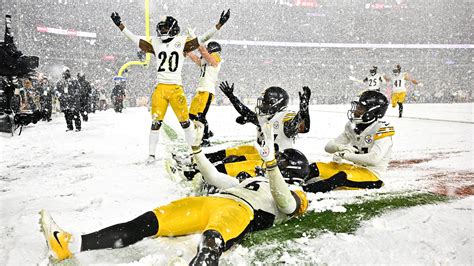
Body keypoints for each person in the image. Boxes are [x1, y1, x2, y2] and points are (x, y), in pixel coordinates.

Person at [39, 120, 308, 264]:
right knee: (146, 222)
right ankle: (70, 244)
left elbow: (285, 205)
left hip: (241, 212)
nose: (273, 162)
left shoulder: (295, 191)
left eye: (282, 162)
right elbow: (214, 176)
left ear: (293, 170)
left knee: (212, 242)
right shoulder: (255, 180)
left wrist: (272, 165)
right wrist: (196, 149)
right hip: (212, 201)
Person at [110, 10, 230, 161]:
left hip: (175, 88)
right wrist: (121, 26)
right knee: (155, 123)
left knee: (186, 123)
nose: (162, 31)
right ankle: (151, 155)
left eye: (165, 28)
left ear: (173, 28)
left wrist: (219, 25)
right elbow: (136, 40)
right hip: (160, 88)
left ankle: (194, 153)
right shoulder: (156, 43)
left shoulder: (182, 42)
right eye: (161, 28)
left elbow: (203, 38)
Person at [186, 82, 311, 178]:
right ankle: (194, 160)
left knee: (227, 165)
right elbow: (245, 112)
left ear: (274, 103)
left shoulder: (284, 117)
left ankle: (196, 174)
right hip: (262, 155)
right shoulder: (265, 117)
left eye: (264, 102)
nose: (261, 105)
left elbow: (302, 127)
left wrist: (304, 111)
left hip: (276, 163)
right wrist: (232, 97)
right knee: (231, 153)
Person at [303, 90, 393, 193]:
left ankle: (302, 192)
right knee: (315, 167)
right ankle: (289, 183)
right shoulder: (353, 126)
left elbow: (373, 159)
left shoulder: (381, 129)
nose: (355, 111)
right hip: (353, 168)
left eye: (361, 108)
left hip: (372, 175)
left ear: (374, 112)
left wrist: (345, 155)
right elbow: (328, 147)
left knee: (340, 178)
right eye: (357, 106)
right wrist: (341, 148)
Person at [186, 41, 223, 146]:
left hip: (208, 90)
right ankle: (207, 131)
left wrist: (198, 45)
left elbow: (209, 58)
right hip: (200, 90)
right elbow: (198, 61)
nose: (206, 49)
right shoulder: (206, 59)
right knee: (191, 115)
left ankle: (205, 138)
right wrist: (188, 52)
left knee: (201, 116)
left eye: (207, 48)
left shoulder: (216, 56)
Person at [55, 67, 82, 132]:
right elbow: (56, 90)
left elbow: (78, 88)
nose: (65, 74)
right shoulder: (59, 82)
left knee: (75, 114)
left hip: (73, 102)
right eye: (64, 72)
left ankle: (78, 127)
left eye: (67, 72)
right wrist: (59, 95)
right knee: (67, 115)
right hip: (64, 102)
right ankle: (69, 127)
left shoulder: (74, 80)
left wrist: (74, 95)